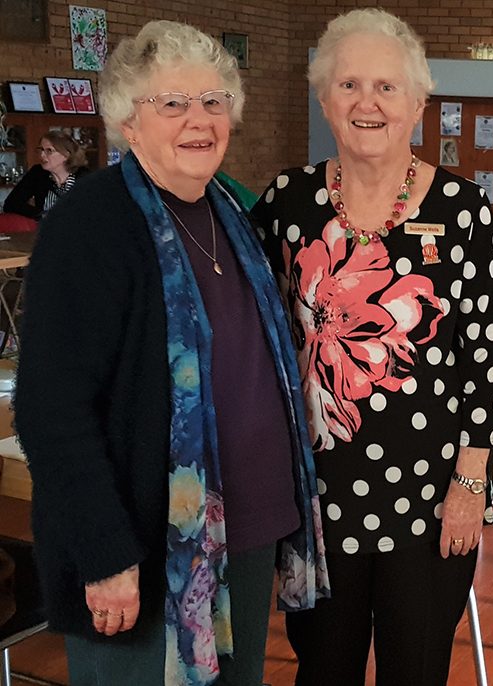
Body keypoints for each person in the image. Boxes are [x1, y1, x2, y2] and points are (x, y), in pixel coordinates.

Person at [15, 20, 327, 686]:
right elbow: (51, 410)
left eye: (213, 102)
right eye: (174, 103)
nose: (199, 120)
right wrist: (104, 555)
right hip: (141, 554)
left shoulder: (229, 211)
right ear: (129, 121)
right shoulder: (91, 225)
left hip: (241, 533)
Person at [251, 9, 493, 685]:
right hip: (316, 497)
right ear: (324, 97)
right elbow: (252, 328)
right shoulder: (288, 201)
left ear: (418, 102)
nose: (366, 103)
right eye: (348, 85)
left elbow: (490, 353)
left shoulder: (462, 209)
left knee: (417, 668)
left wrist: (470, 483)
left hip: (429, 497)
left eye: (386, 87)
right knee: (324, 669)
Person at [2, 129, 89, 219]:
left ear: (66, 155)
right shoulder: (38, 173)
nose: (42, 155)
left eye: (49, 151)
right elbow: (11, 204)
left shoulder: (85, 177)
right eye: (41, 150)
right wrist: (42, 215)